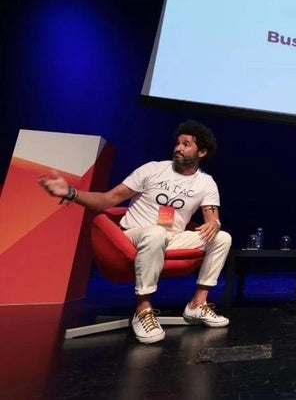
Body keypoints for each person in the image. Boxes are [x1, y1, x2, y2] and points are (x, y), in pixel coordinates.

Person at [38, 120, 233, 343]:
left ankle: (197, 303)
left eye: (186, 144)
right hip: (133, 235)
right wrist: (71, 192)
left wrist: (214, 224)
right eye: (177, 143)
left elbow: (212, 218)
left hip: (172, 238)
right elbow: (107, 199)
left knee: (222, 238)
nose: (178, 147)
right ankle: (143, 309)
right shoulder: (152, 169)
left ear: (202, 152)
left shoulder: (206, 183)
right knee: (155, 233)